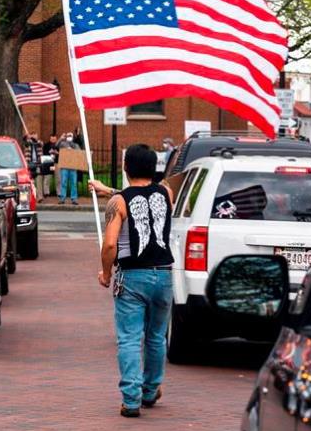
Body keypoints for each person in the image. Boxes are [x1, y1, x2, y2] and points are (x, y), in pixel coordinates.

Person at [90, 144, 174, 418]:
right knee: (156, 336)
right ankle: (150, 390)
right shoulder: (167, 193)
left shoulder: (119, 203)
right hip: (163, 273)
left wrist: (105, 273)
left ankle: (131, 399)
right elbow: (143, 198)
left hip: (132, 276)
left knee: (128, 339)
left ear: (126, 168)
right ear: (154, 168)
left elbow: (110, 244)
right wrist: (107, 190)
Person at [57, 132, 81, 205]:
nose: (69, 137)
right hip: (64, 166)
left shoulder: (76, 145)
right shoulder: (62, 144)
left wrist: (73, 150)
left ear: (72, 137)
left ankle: (74, 199)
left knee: (73, 183)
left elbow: (79, 153)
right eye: (68, 136)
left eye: (70, 136)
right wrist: (60, 138)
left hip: (73, 167)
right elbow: (56, 145)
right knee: (63, 182)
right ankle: (62, 198)